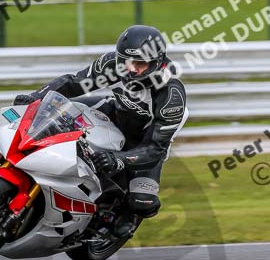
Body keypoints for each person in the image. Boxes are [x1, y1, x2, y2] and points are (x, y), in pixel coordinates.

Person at [13, 25, 188, 238]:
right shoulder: (113, 63)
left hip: (143, 140)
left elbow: (155, 149)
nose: (131, 70)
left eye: (140, 64)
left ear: (156, 63)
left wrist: (120, 159)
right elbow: (74, 83)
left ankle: (125, 215)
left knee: (143, 202)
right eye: (127, 61)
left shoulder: (170, 95)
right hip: (114, 112)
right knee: (57, 114)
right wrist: (36, 97)